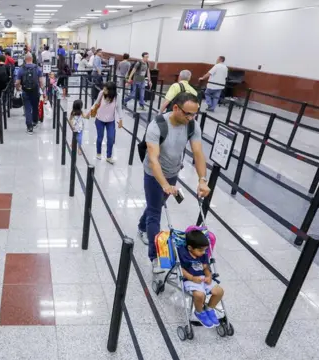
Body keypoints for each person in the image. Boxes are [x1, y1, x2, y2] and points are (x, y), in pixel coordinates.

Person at [137, 92, 210, 273]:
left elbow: (198, 152)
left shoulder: (192, 125)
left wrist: (202, 180)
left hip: (173, 171)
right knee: (156, 212)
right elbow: (153, 160)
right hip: (153, 173)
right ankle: (155, 257)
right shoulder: (157, 126)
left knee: (157, 203)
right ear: (176, 108)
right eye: (187, 113)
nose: (191, 118)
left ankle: (140, 226)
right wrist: (163, 184)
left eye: (194, 114)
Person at [177, 230, 224, 328]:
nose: (203, 252)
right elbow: (181, 269)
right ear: (190, 248)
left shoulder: (203, 254)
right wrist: (192, 278)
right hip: (189, 279)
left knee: (219, 291)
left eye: (205, 250)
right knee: (199, 295)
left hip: (203, 278)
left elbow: (206, 267)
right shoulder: (183, 253)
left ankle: (209, 308)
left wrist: (209, 276)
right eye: (200, 250)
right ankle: (199, 312)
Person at [90, 82, 123, 164]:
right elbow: (96, 102)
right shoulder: (101, 93)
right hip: (99, 120)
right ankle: (98, 152)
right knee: (100, 137)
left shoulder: (117, 96)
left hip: (110, 121)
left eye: (106, 89)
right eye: (104, 88)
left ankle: (108, 156)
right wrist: (90, 110)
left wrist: (121, 119)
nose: (103, 90)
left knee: (111, 138)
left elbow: (119, 108)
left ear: (111, 91)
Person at [15, 53, 45, 135]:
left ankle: (29, 127)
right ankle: (35, 121)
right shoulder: (37, 68)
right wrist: (43, 90)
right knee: (35, 107)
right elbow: (41, 82)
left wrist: (18, 88)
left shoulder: (21, 69)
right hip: (35, 91)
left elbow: (17, 82)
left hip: (25, 91)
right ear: (32, 59)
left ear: (25, 59)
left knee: (27, 108)